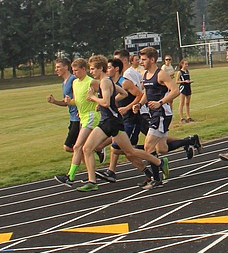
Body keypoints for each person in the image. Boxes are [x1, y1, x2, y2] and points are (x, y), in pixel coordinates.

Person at [77, 55, 164, 192]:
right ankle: (159, 162)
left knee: (87, 149)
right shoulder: (107, 81)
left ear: (101, 68)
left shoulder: (105, 82)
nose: (91, 71)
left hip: (109, 122)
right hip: (113, 120)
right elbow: (123, 93)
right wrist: (112, 103)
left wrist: (94, 98)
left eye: (93, 69)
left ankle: (92, 181)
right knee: (130, 151)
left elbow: (105, 102)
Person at [53, 58, 101, 187]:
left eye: (77, 71)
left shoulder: (91, 82)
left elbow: (105, 94)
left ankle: (71, 176)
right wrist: (70, 101)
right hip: (83, 117)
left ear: (84, 69)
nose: (74, 73)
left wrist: (98, 103)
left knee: (77, 146)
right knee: (85, 148)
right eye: (73, 71)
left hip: (91, 116)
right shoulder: (75, 83)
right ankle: (92, 177)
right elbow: (77, 100)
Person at [139, 47, 180, 178]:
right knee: (162, 149)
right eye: (141, 59)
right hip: (154, 113)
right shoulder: (145, 75)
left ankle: (156, 179)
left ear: (152, 59)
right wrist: (139, 104)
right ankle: (189, 141)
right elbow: (147, 93)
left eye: (144, 59)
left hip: (161, 114)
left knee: (148, 147)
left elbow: (175, 91)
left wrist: (160, 102)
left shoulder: (160, 74)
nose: (141, 62)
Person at [176, 58, 193, 122]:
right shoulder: (180, 72)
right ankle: (181, 118)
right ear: (182, 64)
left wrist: (189, 81)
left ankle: (188, 116)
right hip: (183, 88)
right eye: (185, 64)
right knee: (182, 103)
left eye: (187, 64)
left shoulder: (187, 71)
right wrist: (184, 81)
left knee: (187, 103)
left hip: (188, 87)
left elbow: (188, 79)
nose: (187, 65)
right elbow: (177, 81)